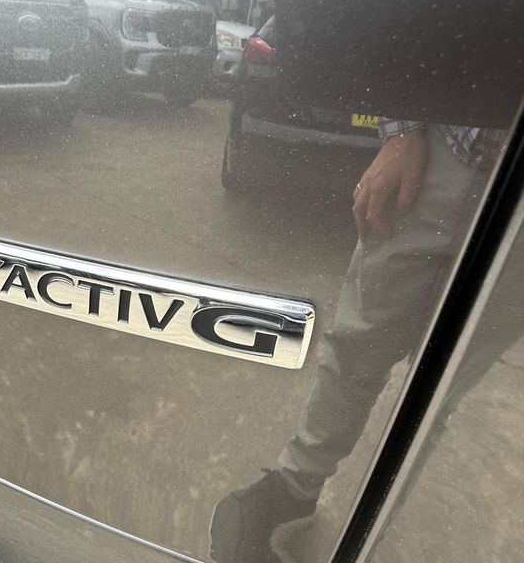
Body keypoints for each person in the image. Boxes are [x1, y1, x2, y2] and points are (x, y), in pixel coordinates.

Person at [209, 120, 507, 563]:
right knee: (357, 345)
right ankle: (294, 489)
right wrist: (403, 130)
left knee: (441, 389)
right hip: (443, 154)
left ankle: (373, 525)